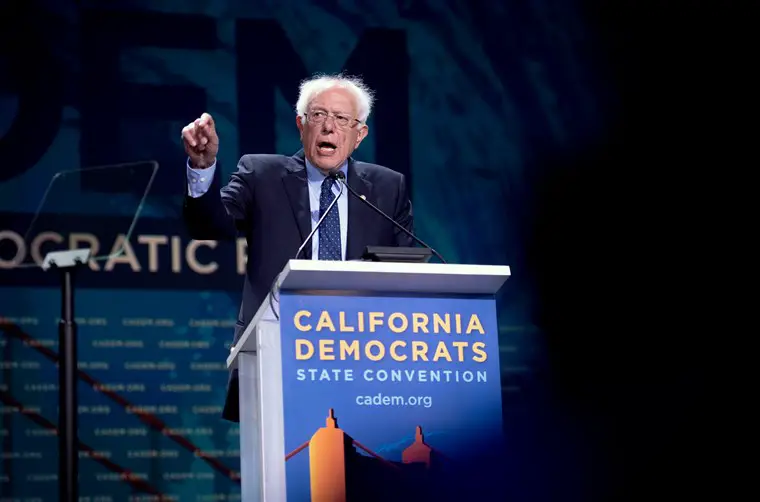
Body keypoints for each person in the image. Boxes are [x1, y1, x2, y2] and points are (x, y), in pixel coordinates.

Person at [180, 74, 414, 422]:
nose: (329, 128)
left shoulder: (387, 187)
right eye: (318, 116)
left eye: (341, 119)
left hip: (364, 361)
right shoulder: (262, 174)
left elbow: (408, 270)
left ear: (359, 134)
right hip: (277, 352)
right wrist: (202, 167)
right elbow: (208, 226)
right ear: (301, 124)